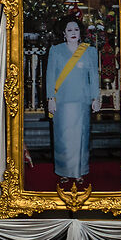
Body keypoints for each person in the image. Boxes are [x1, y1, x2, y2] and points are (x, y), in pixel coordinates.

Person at [46, 14, 98, 187]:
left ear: (80, 32)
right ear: (64, 33)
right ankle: (63, 171)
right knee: (63, 138)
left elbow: (94, 77)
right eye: (69, 30)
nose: (73, 32)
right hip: (62, 101)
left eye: (76, 29)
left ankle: (80, 171)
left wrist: (95, 97)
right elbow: (50, 76)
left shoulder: (89, 51)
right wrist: (50, 98)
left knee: (81, 138)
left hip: (82, 101)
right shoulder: (56, 50)